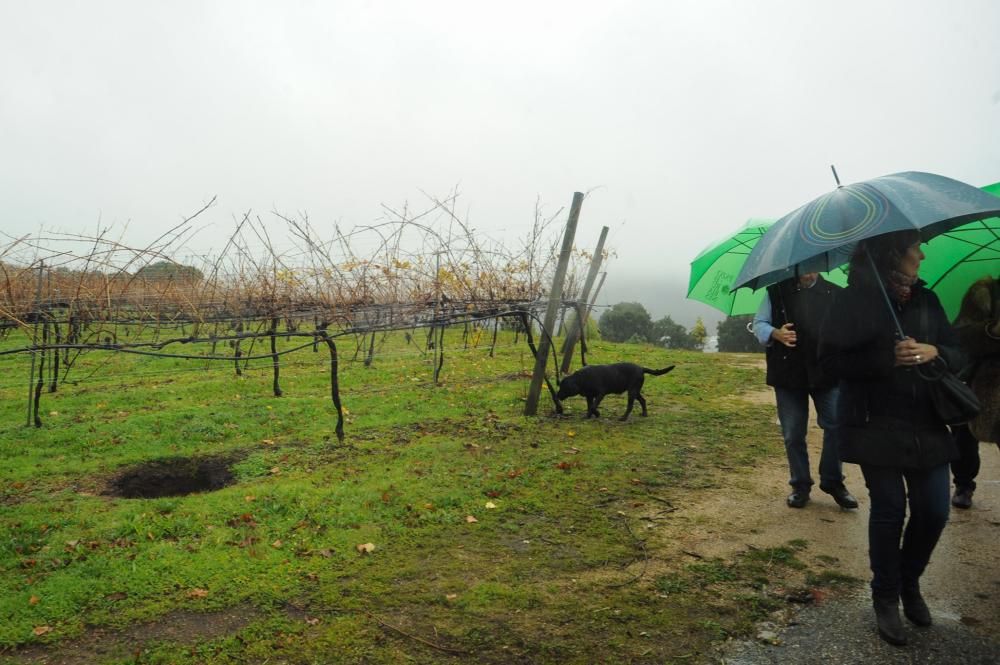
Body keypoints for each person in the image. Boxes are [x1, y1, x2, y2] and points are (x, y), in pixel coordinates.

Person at [818, 230, 966, 646]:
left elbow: (958, 352)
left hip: (927, 421)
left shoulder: (927, 299)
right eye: (913, 249)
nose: (921, 254)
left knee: (934, 509)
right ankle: (885, 595)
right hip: (873, 422)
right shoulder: (850, 303)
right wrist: (886, 358)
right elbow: (827, 363)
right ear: (890, 255)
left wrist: (937, 351)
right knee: (889, 509)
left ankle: (908, 581)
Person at [753, 271, 857, 509]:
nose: (808, 272)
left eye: (813, 266)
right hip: (788, 373)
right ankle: (800, 485)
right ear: (794, 266)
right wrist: (775, 333)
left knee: (836, 426)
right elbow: (759, 323)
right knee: (793, 433)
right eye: (803, 267)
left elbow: (848, 331)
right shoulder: (776, 292)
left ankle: (833, 481)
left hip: (826, 372)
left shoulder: (835, 293)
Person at [950, 274, 1000, 508]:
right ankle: (963, 483)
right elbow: (961, 336)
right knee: (965, 436)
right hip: (978, 380)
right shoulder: (984, 293)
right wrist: (992, 331)